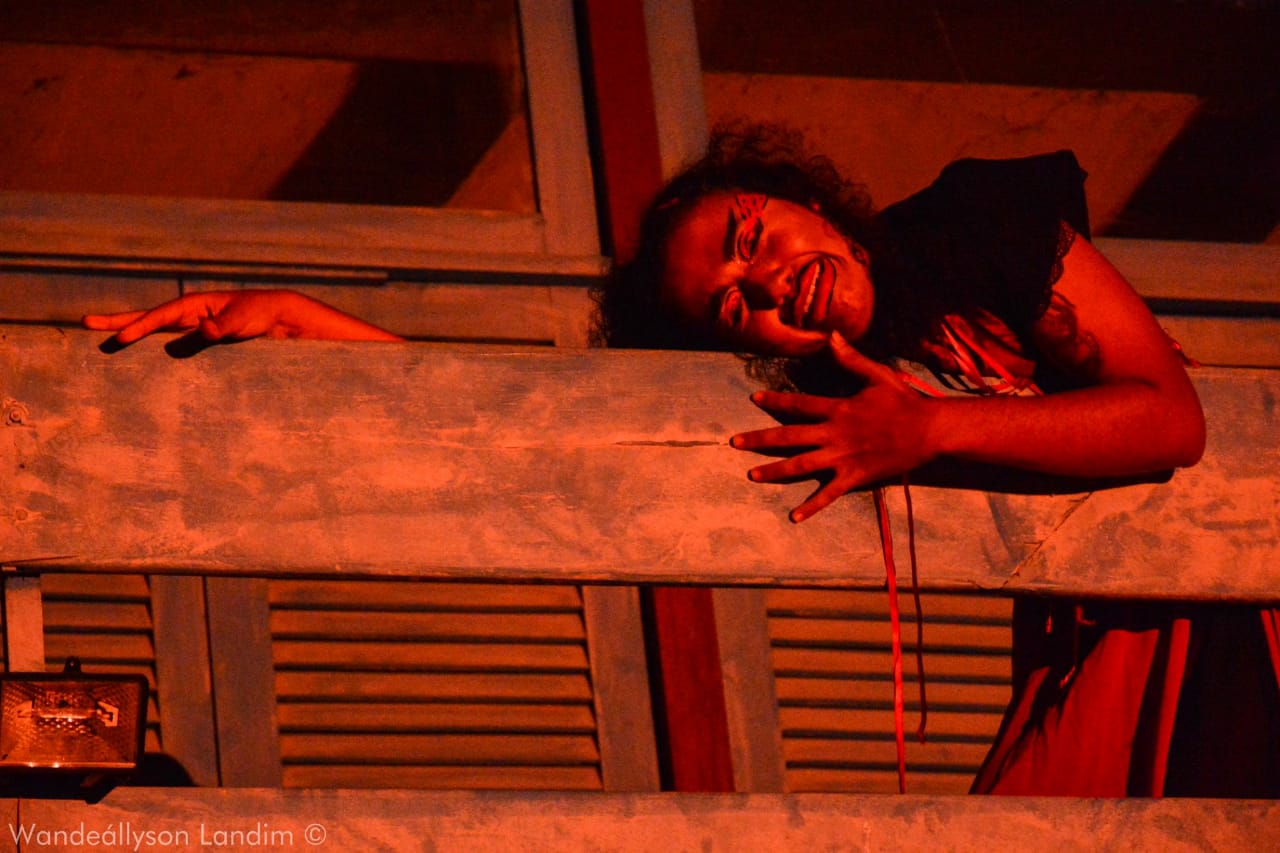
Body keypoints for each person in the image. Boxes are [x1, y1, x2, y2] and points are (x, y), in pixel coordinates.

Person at [83, 124, 1278, 797]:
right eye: (732, 305)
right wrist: (299, 322)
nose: (768, 282)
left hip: (1235, 585)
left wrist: (926, 431)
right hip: (1098, 644)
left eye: (754, 236)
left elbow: (1168, 419)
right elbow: (542, 429)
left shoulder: (980, 226)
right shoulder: (809, 390)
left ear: (809, 203)